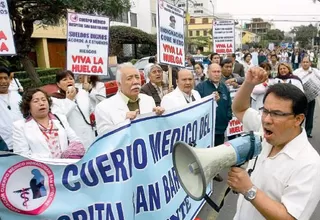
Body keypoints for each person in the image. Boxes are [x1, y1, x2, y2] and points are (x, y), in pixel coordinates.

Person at [229, 67, 320, 220]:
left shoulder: (310, 164)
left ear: (298, 119)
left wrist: (249, 189)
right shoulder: (265, 128)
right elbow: (239, 109)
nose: (266, 120)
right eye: (265, 110)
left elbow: (290, 217)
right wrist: (248, 84)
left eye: (277, 114)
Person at [12, 89, 85, 159]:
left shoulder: (60, 118)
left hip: (65, 167)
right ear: (28, 107)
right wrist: (49, 159)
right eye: (36, 101)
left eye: (44, 100)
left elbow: (75, 140)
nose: (41, 103)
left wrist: (70, 154)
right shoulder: (20, 126)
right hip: (41, 169)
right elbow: (22, 155)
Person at [95, 63, 165, 135]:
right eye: (129, 78)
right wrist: (124, 122)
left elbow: (155, 131)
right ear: (119, 84)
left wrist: (159, 117)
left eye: (137, 77)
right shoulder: (103, 108)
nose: (135, 82)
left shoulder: (148, 100)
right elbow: (105, 140)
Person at [51, 70, 95, 149]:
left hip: (89, 135)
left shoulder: (83, 93)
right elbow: (59, 118)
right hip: (73, 138)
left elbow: (91, 109)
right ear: (58, 84)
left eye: (71, 78)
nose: (68, 81)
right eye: (64, 80)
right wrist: (69, 100)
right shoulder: (55, 99)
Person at [195, 63, 231, 146]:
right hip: (206, 132)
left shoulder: (224, 87)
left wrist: (227, 118)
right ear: (208, 73)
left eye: (218, 71)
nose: (217, 74)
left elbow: (229, 105)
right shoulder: (201, 88)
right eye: (214, 71)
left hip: (221, 129)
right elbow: (197, 107)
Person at [293, 56, 320, 138]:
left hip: (311, 97)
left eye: (307, 62)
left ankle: (308, 131)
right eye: (304, 62)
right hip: (300, 97)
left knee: (310, 115)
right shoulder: (297, 72)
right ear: (301, 63)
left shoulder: (314, 71)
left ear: (310, 63)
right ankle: (297, 131)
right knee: (299, 114)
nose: (305, 63)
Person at [0, 66, 23, 150]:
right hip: (5, 146)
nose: (3, 81)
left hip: (22, 142)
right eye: (0, 78)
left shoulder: (17, 96)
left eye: (6, 78)